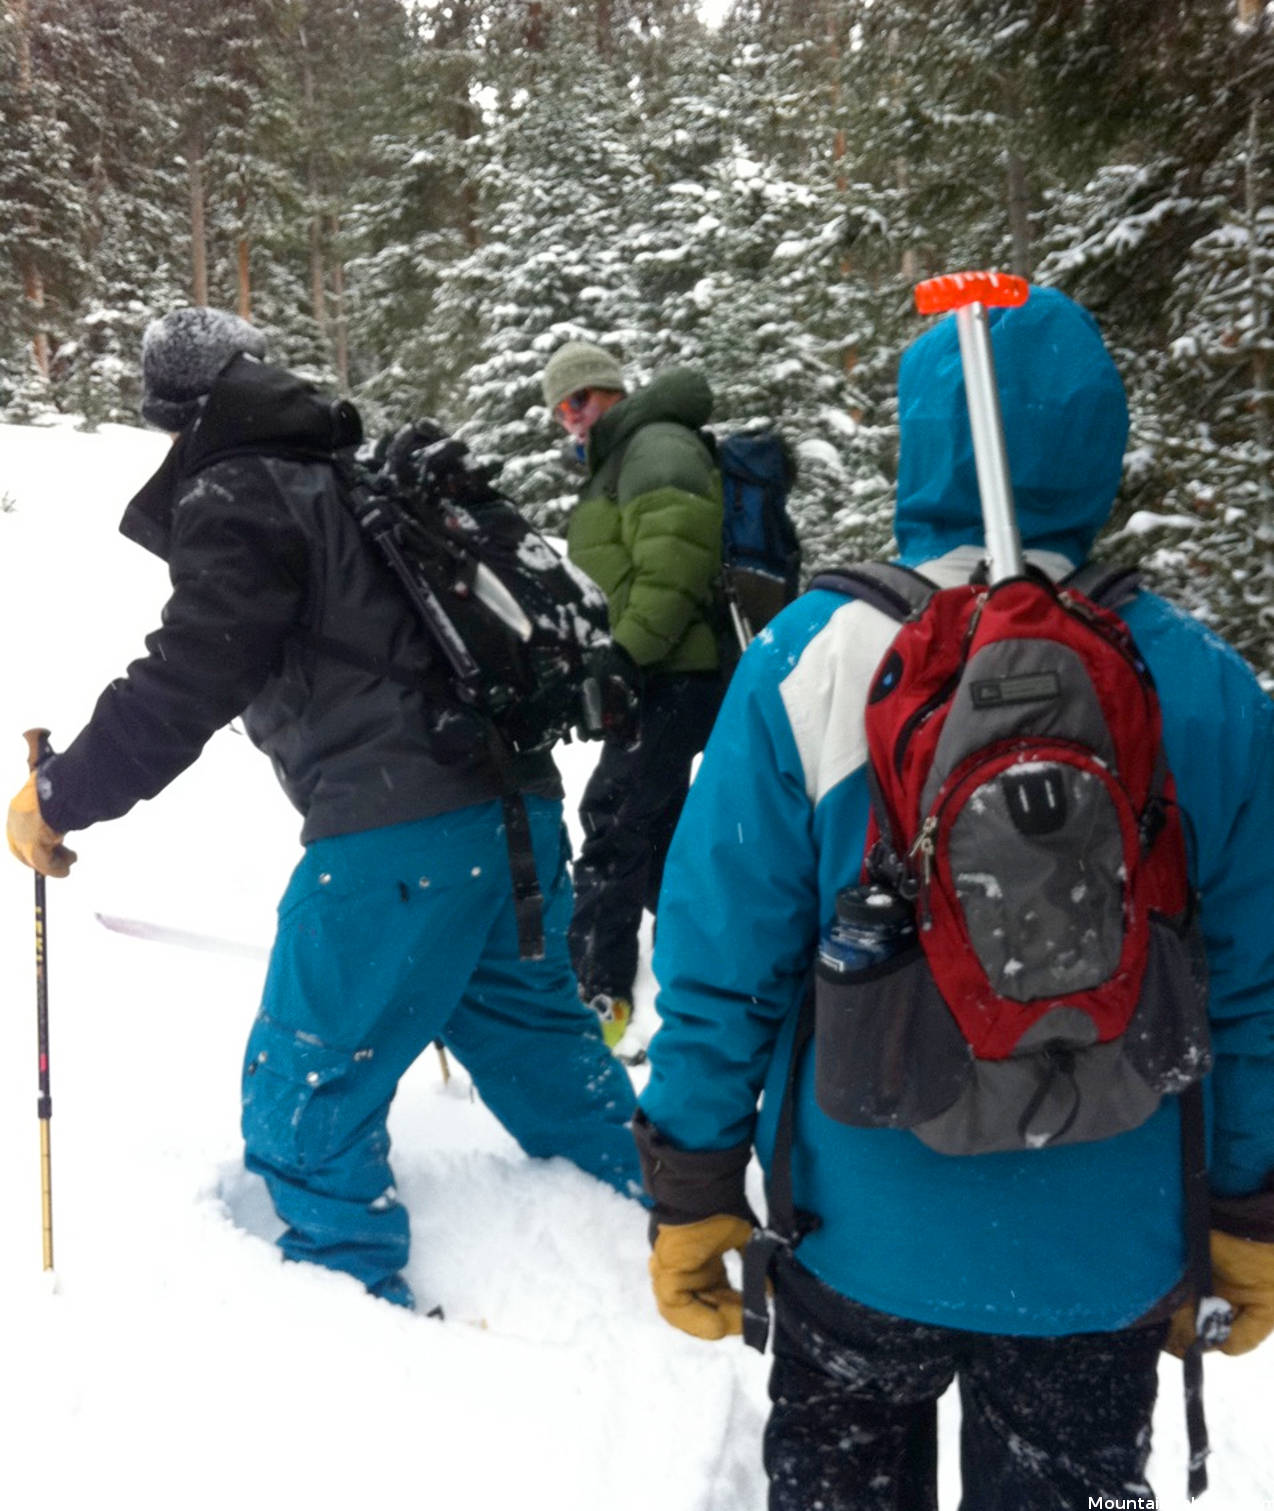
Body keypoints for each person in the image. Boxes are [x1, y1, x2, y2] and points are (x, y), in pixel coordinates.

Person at [632, 287, 1274, 1508]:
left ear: (919, 435)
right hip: (1102, 1247)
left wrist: (693, 1186)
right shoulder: (1200, 683)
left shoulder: (812, 656)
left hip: (856, 1230)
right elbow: (1251, 989)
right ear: (1098, 444)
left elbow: (724, 957)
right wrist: (1245, 1204)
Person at [6, 307, 642, 1311]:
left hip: (396, 831)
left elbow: (191, 673)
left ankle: (352, 1328)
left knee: (304, 1092)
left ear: (177, 412)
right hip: (511, 813)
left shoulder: (241, 489)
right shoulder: (352, 479)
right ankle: (672, 1243)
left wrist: (60, 796)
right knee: (545, 1052)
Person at [541, 340, 727, 1049]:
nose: (572, 418)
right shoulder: (622, 456)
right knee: (661, 837)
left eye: (580, 400)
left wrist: (627, 651)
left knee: (615, 821)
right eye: (561, 410)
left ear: (611, 392)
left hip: (674, 670)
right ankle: (716, 974)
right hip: (655, 670)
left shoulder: (654, 444)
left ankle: (599, 999)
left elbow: (676, 554)